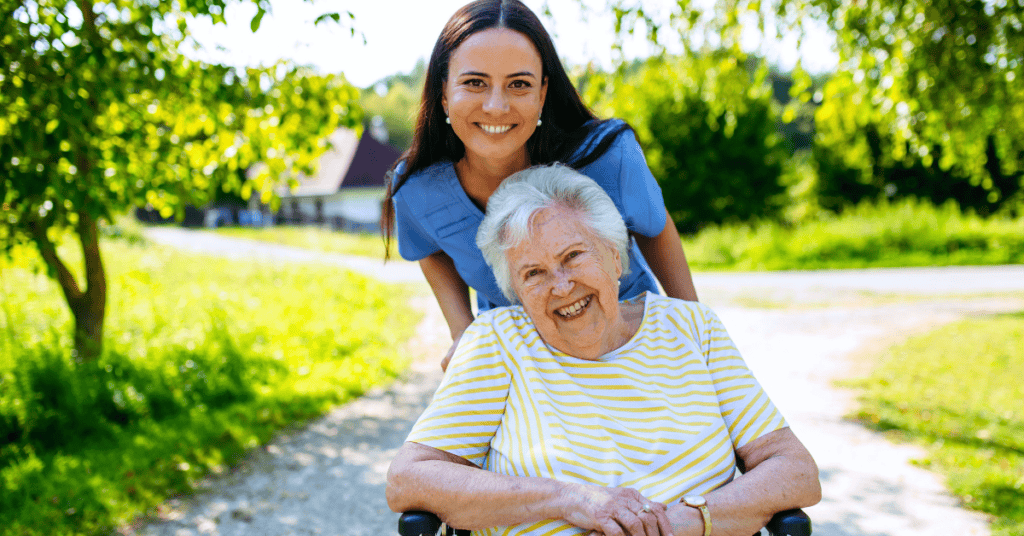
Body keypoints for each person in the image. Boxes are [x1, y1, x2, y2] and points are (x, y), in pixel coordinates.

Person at [386, 165, 821, 536]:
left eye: (574, 256)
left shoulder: (692, 328)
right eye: (533, 274)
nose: (561, 285)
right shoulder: (498, 342)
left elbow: (795, 471)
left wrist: (680, 521)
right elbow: (409, 479)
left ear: (616, 257)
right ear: (515, 291)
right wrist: (572, 501)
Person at [383, 0, 699, 370]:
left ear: (542, 94)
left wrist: (694, 325)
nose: (496, 106)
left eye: (519, 84)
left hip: (632, 342)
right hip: (522, 359)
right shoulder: (417, 189)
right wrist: (462, 332)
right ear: (444, 94)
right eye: (474, 83)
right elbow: (428, 248)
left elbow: (655, 229)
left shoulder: (607, 157)